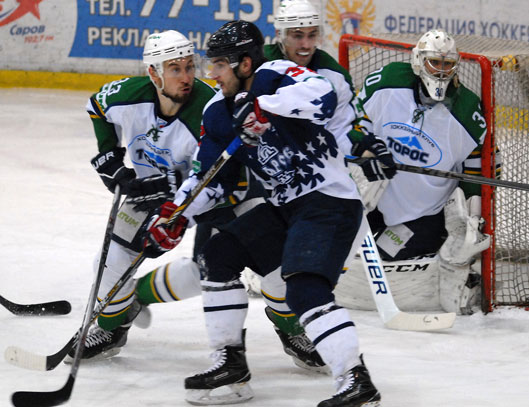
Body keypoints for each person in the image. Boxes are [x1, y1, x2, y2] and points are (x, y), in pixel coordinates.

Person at [146, 20, 381, 406]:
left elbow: (322, 96)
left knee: (304, 288)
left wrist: (264, 106)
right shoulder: (217, 112)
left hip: (328, 201)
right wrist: (178, 214)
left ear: (244, 64)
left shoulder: (275, 74)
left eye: (219, 65)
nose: (212, 74)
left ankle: (356, 382)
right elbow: (210, 176)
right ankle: (231, 366)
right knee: (217, 256)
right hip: (285, 207)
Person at [255, 0, 390, 374]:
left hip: (316, 183)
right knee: (268, 273)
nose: (305, 44)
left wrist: (366, 148)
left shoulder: (332, 74)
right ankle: (286, 327)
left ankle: (299, 314)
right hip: (269, 181)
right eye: (297, 35)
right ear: (280, 34)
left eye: (312, 35)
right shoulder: (257, 66)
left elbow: (345, 128)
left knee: (335, 249)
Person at [68, 30, 220, 361]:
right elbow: (96, 105)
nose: (186, 77)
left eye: (189, 67)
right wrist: (109, 156)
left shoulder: (208, 109)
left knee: (211, 269)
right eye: (175, 69)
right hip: (150, 191)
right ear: (154, 73)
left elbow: (211, 175)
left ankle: (136, 297)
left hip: (207, 195)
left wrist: (173, 215)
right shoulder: (129, 96)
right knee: (109, 262)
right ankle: (112, 328)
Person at [349, 29, 495, 314]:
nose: (440, 71)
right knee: (337, 246)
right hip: (374, 198)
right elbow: (353, 123)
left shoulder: (467, 111)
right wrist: (365, 154)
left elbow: (480, 169)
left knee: (383, 260)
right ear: (418, 61)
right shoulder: (388, 82)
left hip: (423, 215)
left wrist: (472, 217)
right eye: (434, 62)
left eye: (447, 64)